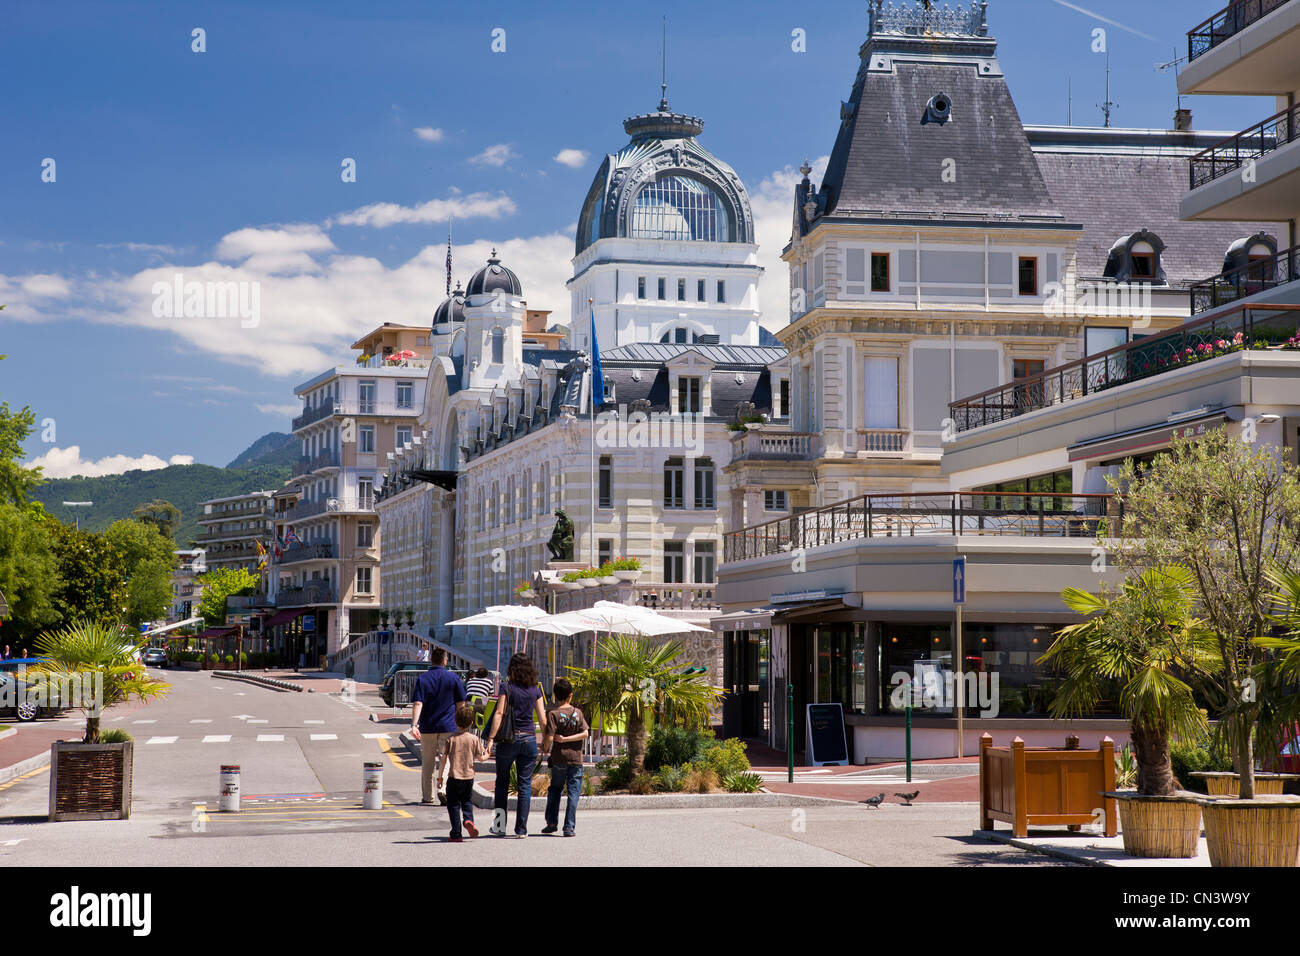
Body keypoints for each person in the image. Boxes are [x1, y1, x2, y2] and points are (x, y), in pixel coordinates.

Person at [486, 652, 546, 838]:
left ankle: (499, 826)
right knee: (525, 785)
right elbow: (543, 719)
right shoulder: (535, 690)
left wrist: (490, 738)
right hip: (529, 739)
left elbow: (499, 713)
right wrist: (546, 741)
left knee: (502, 783)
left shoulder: (507, 687)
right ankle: (521, 829)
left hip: (508, 739)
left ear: (512, 668)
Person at [409, 648, 466, 805]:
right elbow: (461, 703)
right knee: (446, 760)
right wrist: (462, 724)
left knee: (427, 762)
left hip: (427, 727)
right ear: (445, 661)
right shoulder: (453, 678)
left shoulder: (422, 678)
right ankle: (443, 789)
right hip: (448, 726)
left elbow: (418, 703)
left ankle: (428, 796)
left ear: (430, 660)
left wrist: (414, 724)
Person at [540, 677, 589, 837]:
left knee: (555, 790)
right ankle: (569, 827)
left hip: (559, 758)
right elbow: (585, 733)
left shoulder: (553, 714)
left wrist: (545, 748)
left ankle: (551, 822)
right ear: (571, 695)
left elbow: (549, 737)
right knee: (573, 793)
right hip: (576, 759)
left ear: (555, 695)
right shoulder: (578, 713)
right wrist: (569, 739)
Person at [437, 701, 489, 842]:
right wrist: (487, 755)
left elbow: (443, 760)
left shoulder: (451, 739)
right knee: (467, 801)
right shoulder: (474, 739)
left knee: (453, 804)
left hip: (454, 777)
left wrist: (440, 778)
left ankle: (456, 833)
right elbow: (481, 758)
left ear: (455, 721)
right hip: (468, 777)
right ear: (471, 723)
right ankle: (468, 819)